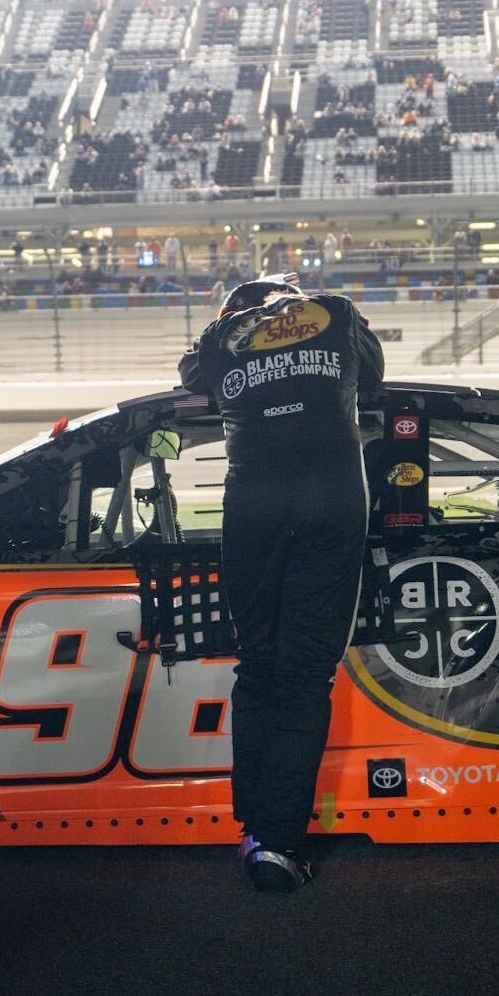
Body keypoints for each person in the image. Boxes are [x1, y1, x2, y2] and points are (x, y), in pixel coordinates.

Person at [178, 273, 384, 894]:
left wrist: (233, 327)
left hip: (254, 505)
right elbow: (372, 377)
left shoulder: (220, 338)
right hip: (331, 500)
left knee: (258, 663)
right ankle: (278, 844)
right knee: (305, 675)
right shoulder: (337, 312)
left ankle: (254, 828)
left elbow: (191, 376)